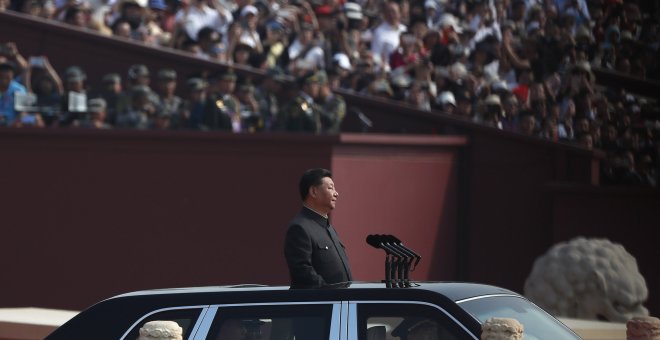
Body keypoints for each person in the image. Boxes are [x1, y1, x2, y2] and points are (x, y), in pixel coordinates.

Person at [284, 168, 352, 289]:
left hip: (339, 303)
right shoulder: (300, 228)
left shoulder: (328, 227)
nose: (336, 193)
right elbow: (302, 271)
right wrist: (330, 293)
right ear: (314, 192)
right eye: (330, 188)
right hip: (319, 304)